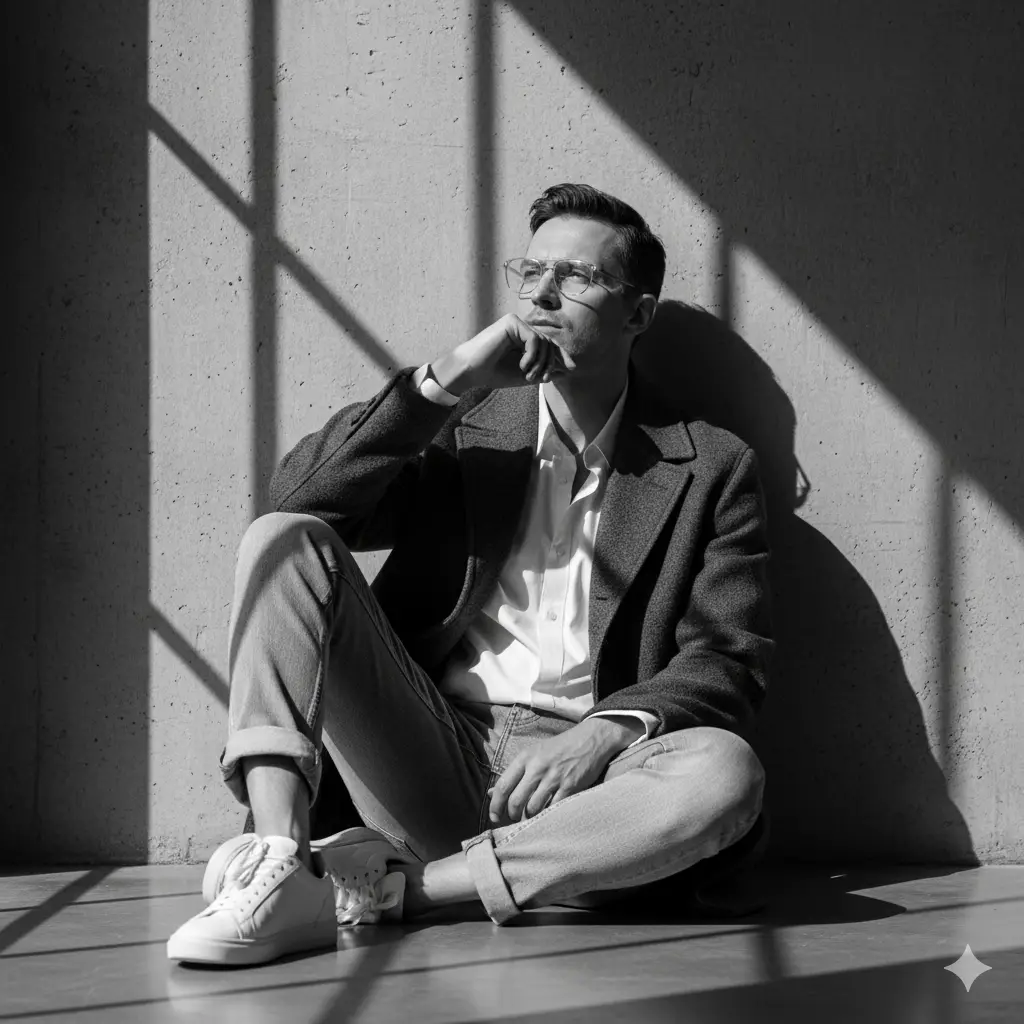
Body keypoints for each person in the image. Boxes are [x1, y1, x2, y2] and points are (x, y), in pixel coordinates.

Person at [167, 183, 773, 966]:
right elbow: (299, 503)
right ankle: (281, 862)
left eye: (578, 278)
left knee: (726, 770)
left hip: (586, 797)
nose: (543, 294)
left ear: (639, 314)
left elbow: (729, 658)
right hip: (431, 744)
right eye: (530, 273)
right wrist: (446, 380)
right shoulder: (465, 433)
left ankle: (398, 889)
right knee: (285, 540)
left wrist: (602, 733)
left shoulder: (713, 466)